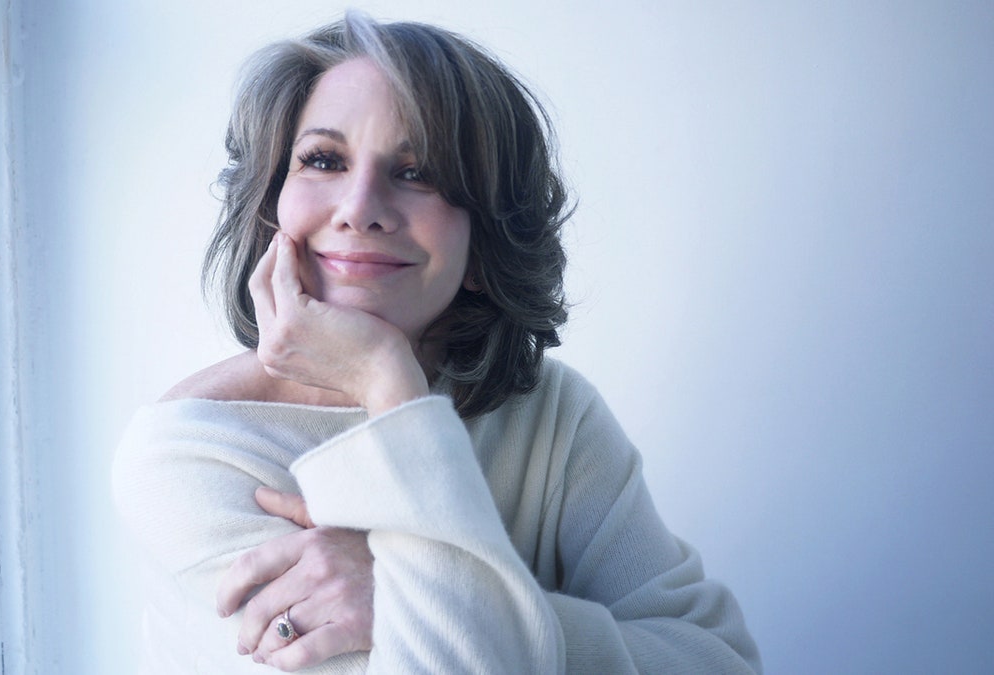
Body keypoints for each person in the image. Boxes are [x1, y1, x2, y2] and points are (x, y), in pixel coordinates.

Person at [113, 12, 761, 674]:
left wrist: (405, 583)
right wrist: (389, 380)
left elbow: (720, 661)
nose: (360, 206)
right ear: (271, 208)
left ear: (484, 245)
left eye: (418, 171)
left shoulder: (553, 416)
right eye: (323, 160)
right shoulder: (188, 457)